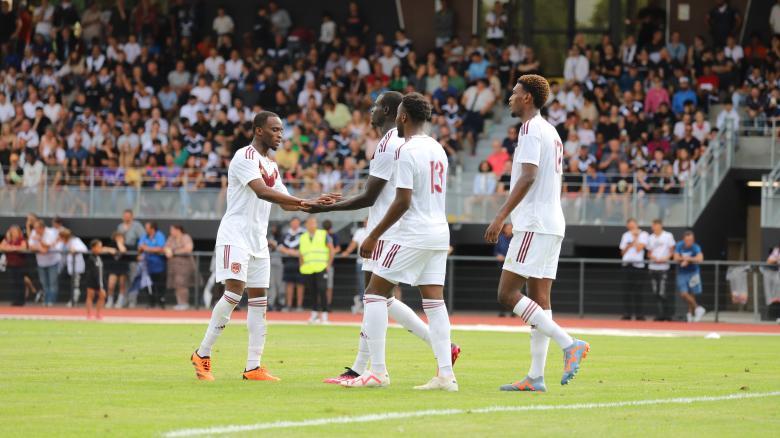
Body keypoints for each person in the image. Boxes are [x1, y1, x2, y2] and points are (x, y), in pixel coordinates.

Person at [310, 92, 459, 385]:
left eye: (377, 106)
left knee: (375, 296)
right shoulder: (437, 147)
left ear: (399, 114)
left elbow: (382, 197)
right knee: (429, 302)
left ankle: (376, 371)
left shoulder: (397, 146)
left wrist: (369, 233)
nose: (371, 110)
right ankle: (444, 372)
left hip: (402, 230)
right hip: (437, 230)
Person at [190, 111, 335, 382]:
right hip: (235, 236)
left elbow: (284, 200)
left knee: (259, 302)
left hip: (258, 240)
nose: (280, 134)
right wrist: (304, 201)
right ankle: (203, 353)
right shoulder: (244, 157)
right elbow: (262, 191)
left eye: (281, 130)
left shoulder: (271, 165)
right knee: (234, 294)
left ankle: (253, 367)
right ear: (259, 131)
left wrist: (313, 204)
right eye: (275, 129)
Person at [484, 74, 589, 393]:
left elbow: (528, 176)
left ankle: (569, 343)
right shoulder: (551, 131)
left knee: (506, 294)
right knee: (540, 300)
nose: (510, 98)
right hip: (551, 222)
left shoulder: (530, 129)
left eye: (515, 93)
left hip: (535, 223)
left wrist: (501, 215)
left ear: (528, 97)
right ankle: (535, 376)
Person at [299, 216, 335, 324]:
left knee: (322, 289)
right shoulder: (303, 237)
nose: (312, 225)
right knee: (312, 291)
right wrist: (301, 266)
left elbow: (331, 250)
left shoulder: (323, 234)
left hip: (321, 267)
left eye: (314, 223)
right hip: (308, 269)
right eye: (309, 223)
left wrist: (328, 265)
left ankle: (324, 315)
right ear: (306, 225)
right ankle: (314, 314)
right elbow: (301, 253)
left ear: (316, 224)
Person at [619, 218, 648, 321]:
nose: (631, 228)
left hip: (638, 266)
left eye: (632, 225)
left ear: (636, 225)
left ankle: (639, 314)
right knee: (626, 291)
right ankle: (627, 313)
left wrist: (635, 237)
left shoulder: (643, 234)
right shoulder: (625, 235)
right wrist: (629, 245)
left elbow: (639, 248)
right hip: (627, 265)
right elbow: (622, 252)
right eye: (629, 226)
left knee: (638, 291)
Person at [673, 230, 706, 322]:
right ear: (684, 239)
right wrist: (683, 259)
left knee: (692, 294)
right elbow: (675, 257)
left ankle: (690, 315)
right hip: (682, 273)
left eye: (691, 240)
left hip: (693, 272)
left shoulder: (696, 247)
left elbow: (700, 258)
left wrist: (688, 259)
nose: (690, 242)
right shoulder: (679, 245)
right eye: (688, 240)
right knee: (684, 293)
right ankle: (698, 308)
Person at [647, 219, 676, 321]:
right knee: (655, 292)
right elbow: (649, 253)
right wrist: (654, 258)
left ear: (660, 225)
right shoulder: (650, 238)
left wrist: (665, 258)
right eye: (653, 225)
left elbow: (672, 250)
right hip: (653, 267)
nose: (654, 227)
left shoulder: (668, 236)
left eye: (655, 225)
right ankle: (660, 314)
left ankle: (667, 315)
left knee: (662, 292)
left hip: (663, 268)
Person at [27, 219, 61, 306]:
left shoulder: (50, 232)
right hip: (41, 263)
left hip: (53, 262)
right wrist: (39, 248)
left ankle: (51, 302)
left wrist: (40, 240)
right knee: (44, 283)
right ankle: (46, 301)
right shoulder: (34, 232)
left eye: (37, 228)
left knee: (52, 283)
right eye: (34, 228)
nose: (35, 230)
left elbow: (47, 247)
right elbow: (30, 246)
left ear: (42, 228)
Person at [340, 219, 369, 314]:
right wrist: (347, 252)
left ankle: (368, 304)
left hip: (374, 263)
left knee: (371, 285)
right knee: (362, 284)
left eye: (367, 221)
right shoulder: (360, 231)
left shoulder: (377, 230)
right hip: (361, 262)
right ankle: (362, 303)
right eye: (365, 221)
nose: (365, 223)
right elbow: (354, 243)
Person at [165, 225, 196, 310]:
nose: (171, 232)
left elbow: (188, 249)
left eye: (172, 230)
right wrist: (168, 251)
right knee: (177, 285)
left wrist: (174, 252)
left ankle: (184, 303)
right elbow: (166, 248)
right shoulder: (171, 238)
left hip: (185, 266)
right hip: (174, 267)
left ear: (178, 230)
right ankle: (179, 303)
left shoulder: (185, 237)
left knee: (182, 284)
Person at [138, 222, 167, 308]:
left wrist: (147, 248)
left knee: (159, 285)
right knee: (148, 285)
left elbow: (160, 248)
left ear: (152, 229)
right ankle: (151, 303)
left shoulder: (159, 235)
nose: (145, 229)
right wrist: (148, 249)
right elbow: (140, 247)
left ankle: (161, 303)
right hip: (147, 266)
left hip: (158, 265)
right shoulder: (144, 236)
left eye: (147, 228)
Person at [279, 217, 305, 312]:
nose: (295, 224)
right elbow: (280, 247)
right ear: (290, 223)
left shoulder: (303, 234)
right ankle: (288, 305)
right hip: (288, 263)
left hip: (300, 263)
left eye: (297, 222)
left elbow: (304, 249)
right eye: (293, 222)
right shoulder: (286, 234)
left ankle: (299, 305)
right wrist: (292, 252)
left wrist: (290, 252)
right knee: (289, 284)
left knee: (300, 284)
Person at [0, 225, 28, 306]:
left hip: (20, 265)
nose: (13, 232)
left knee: (20, 283)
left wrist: (11, 248)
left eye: (15, 231)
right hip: (11, 264)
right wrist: (14, 248)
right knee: (14, 283)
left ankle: (21, 301)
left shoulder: (21, 239)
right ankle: (15, 300)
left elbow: (23, 248)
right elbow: (1, 247)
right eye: (11, 231)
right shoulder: (8, 239)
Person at [59, 228, 87, 308]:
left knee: (75, 284)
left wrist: (75, 249)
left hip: (77, 267)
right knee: (73, 284)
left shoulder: (76, 241)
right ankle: (73, 300)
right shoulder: (64, 243)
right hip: (70, 267)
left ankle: (74, 301)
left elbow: (84, 249)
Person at [104, 232, 132, 309]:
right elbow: (102, 248)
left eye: (121, 238)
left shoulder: (126, 246)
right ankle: (110, 300)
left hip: (122, 268)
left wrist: (120, 243)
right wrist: (109, 249)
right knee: (111, 285)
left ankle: (120, 301)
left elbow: (123, 250)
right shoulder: (112, 245)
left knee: (122, 285)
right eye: (117, 238)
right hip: (113, 268)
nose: (119, 239)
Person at [494, 223, 515, 318]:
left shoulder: (516, 239)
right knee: (502, 290)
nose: (509, 229)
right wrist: (498, 255)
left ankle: (513, 311)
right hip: (501, 267)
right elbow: (496, 251)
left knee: (514, 289)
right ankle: (501, 311)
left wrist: (506, 258)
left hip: (514, 268)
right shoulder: (500, 238)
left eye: (511, 228)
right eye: (507, 228)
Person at [83, 239, 107, 320]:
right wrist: (98, 284)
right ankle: (89, 314)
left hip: (100, 281)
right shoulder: (91, 258)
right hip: (92, 281)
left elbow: (100, 271)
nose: (100, 249)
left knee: (102, 296)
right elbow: (93, 272)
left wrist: (102, 282)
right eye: (98, 247)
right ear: (93, 248)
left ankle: (98, 313)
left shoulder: (99, 258)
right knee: (90, 296)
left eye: (101, 247)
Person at [322, 219, 340, 309]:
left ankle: (328, 304)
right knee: (324, 286)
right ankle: (324, 304)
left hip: (328, 263)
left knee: (328, 286)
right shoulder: (321, 235)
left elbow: (337, 248)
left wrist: (331, 251)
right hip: (322, 263)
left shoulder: (333, 236)